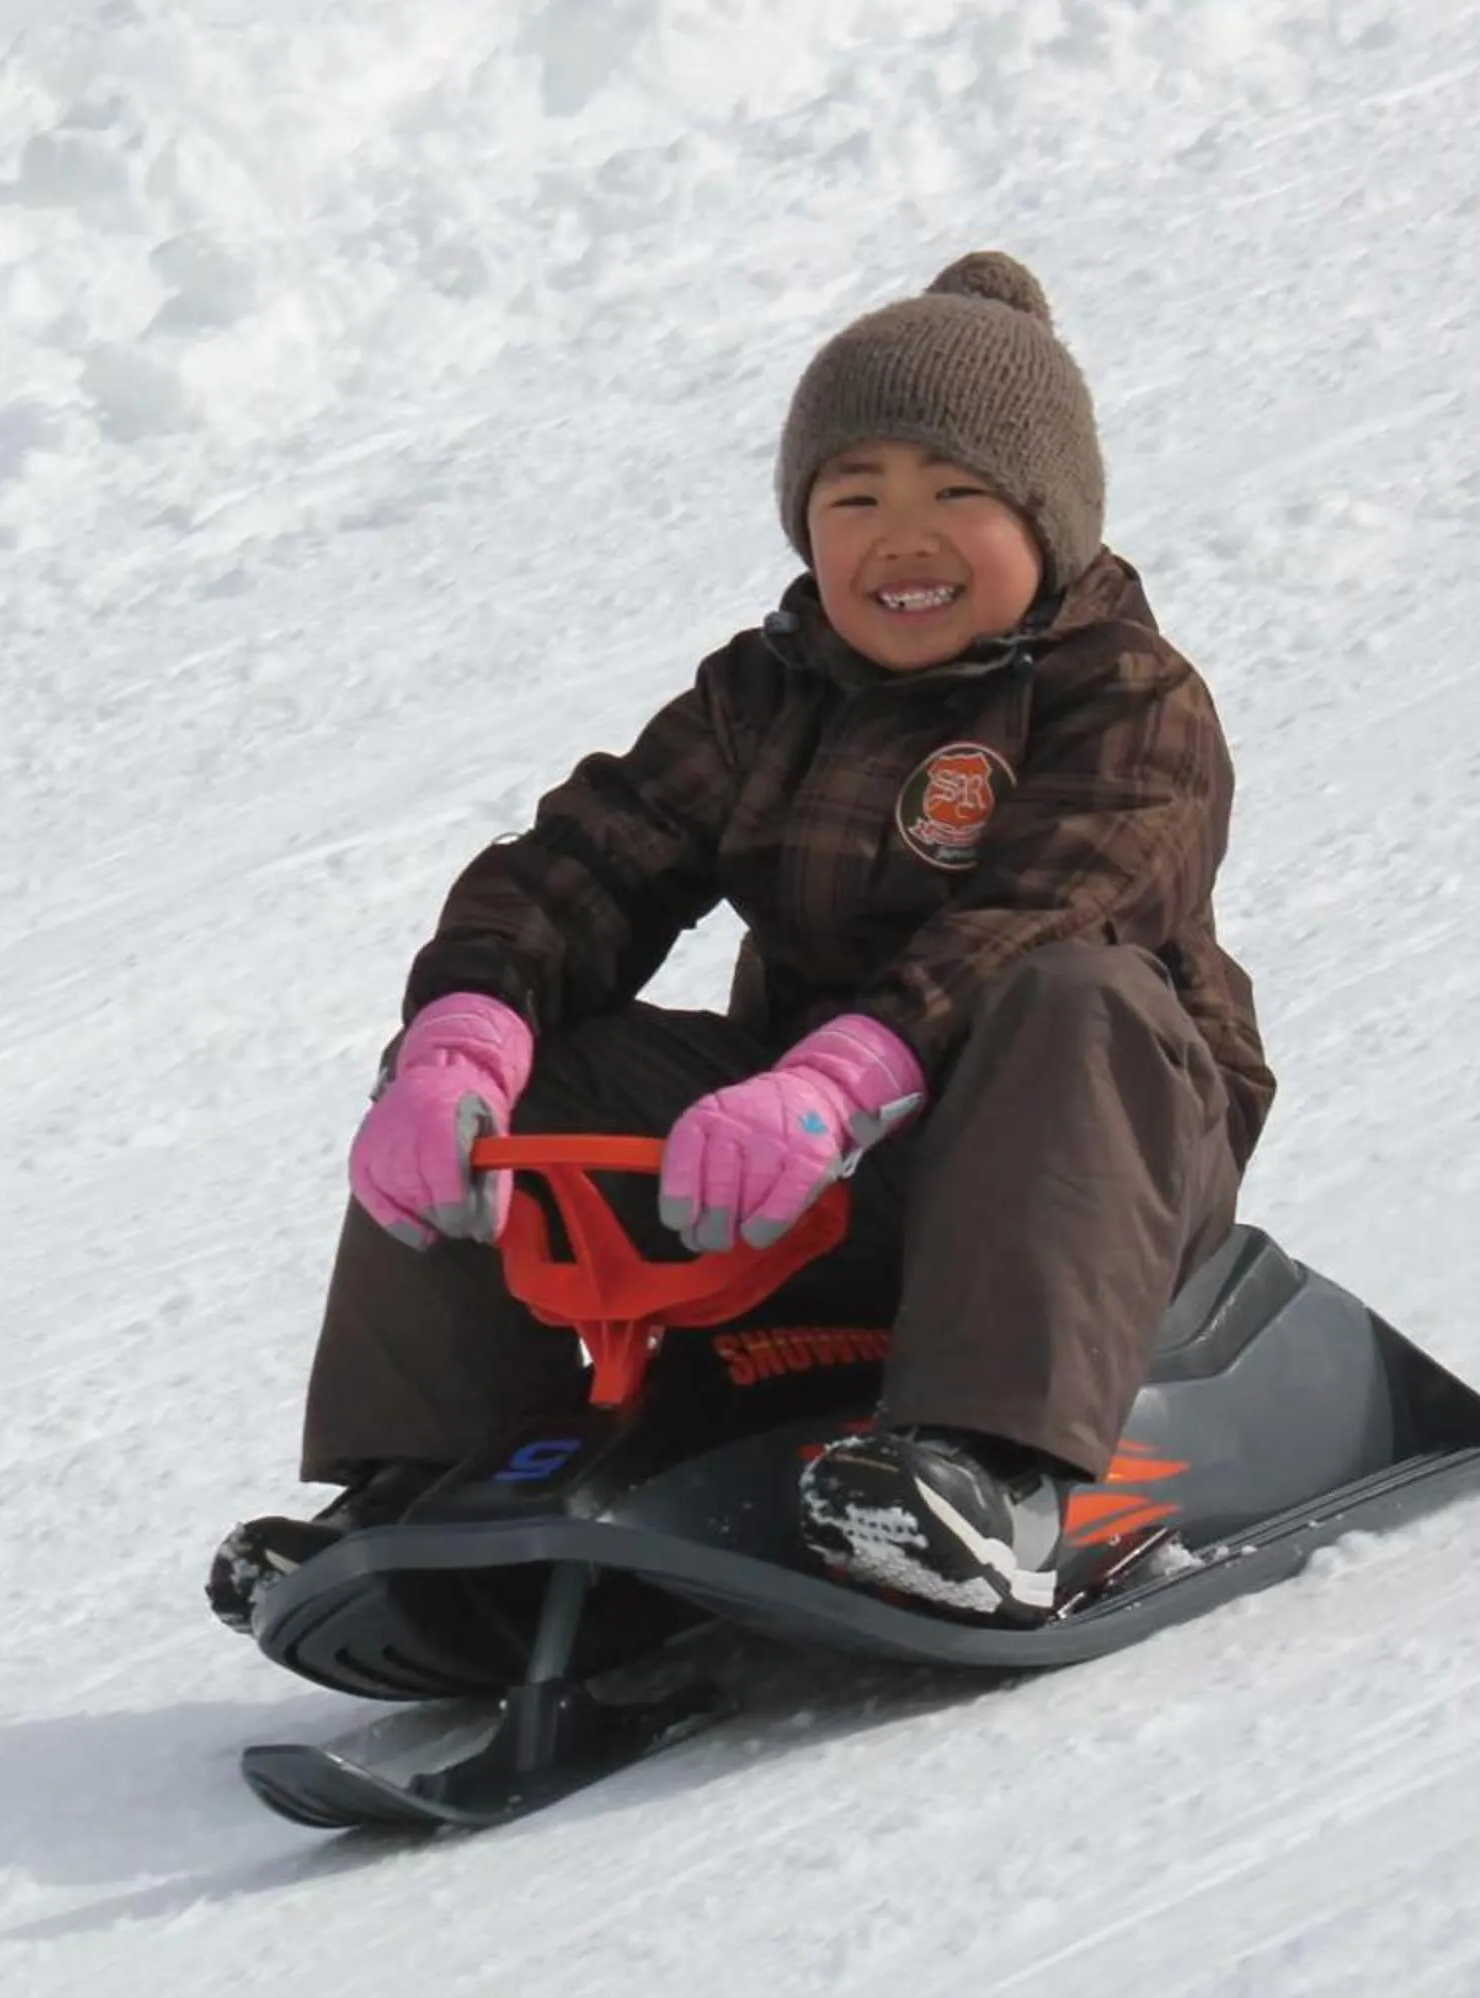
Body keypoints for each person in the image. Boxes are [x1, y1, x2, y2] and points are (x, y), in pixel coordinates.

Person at [209, 251, 1272, 1631]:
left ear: (1050, 520)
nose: (902, 538)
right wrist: (463, 1035)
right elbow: (582, 860)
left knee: (1076, 992)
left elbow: (1057, 903)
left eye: (958, 495)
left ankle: (993, 1477)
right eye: (855, 497)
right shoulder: (768, 693)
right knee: (532, 1075)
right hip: (808, 1162)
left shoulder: (1128, 696)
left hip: (1090, 1169)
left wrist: (844, 1076)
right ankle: (431, 1492)